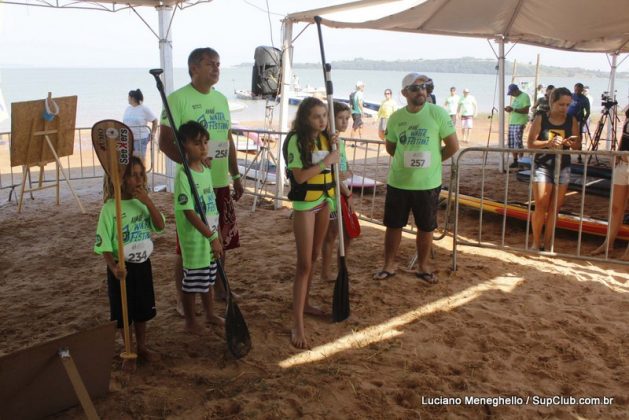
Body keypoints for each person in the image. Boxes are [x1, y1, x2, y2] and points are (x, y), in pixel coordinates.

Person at [158, 47, 243, 315]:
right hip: (195, 184)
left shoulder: (221, 100)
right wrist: (191, 168)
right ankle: (183, 298)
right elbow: (164, 142)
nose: (216, 68)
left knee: (221, 238)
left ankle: (219, 288)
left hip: (218, 182)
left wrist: (236, 175)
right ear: (194, 67)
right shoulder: (178, 99)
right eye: (209, 64)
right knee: (188, 245)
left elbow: (227, 140)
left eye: (218, 64)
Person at [374, 73, 459, 284]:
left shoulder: (438, 113)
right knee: (393, 225)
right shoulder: (396, 117)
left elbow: (453, 146)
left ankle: (423, 267)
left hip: (428, 184)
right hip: (398, 182)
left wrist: (434, 160)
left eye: (424, 87)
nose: (421, 91)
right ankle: (388, 265)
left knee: (426, 227)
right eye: (415, 88)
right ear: (404, 93)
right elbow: (391, 147)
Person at [94, 156, 165, 362]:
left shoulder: (142, 204)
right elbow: (104, 244)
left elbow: (160, 226)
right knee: (124, 311)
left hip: (143, 264)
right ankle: (128, 349)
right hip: (121, 267)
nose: (139, 180)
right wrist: (114, 267)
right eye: (133, 176)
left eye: (141, 174)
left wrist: (148, 202)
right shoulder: (109, 208)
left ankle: (142, 346)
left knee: (142, 308)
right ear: (121, 180)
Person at [284, 97, 339, 348]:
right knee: (304, 264)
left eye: (325, 116)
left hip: (325, 201)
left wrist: (337, 154)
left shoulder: (329, 138)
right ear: (306, 118)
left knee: (315, 255)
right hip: (306, 205)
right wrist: (326, 161)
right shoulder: (296, 140)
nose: (322, 121)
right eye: (317, 116)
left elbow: (337, 170)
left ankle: (305, 304)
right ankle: (297, 322)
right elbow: (300, 176)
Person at [174, 121, 225, 334]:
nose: (203, 147)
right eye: (197, 143)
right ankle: (190, 321)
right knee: (192, 283)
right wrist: (210, 236)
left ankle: (210, 313)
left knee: (208, 278)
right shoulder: (183, 175)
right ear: (184, 145)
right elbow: (189, 212)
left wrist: (217, 233)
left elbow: (210, 203)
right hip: (195, 239)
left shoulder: (204, 169)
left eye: (205, 142)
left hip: (210, 233)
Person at [527, 87, 580, 251]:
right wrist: (548, 144)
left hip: (563, 166)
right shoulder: (541, 117)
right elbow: (530, 144)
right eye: (561, 104)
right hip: (542, 165)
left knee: (554, 208)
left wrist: (571, 144)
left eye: (567, 105)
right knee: (541, 205)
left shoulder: (572, 120)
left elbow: (578, 146)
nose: (564, 108)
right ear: (552, 102)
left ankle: (548, 243)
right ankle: (536, 242)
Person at [321, 101, 355, 281]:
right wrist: (347, 192)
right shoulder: (329, 141)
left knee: (348, 232)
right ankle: (326, 272)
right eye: (340, 118)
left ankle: (343, 266)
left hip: (342, 189)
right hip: (333, 192)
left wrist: (346, 175)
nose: (345, 122)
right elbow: (333, 173)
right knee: (331, 233)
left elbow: (344, 168)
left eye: (347, 118)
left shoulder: (339, 141)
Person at [592, 108, 629, 259]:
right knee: (616, 208)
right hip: (623, 164)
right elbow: (625, 135)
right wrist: (618, 154)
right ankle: (608, 243)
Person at [123, 89, 158, 162]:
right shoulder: (128, 109)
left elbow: (155, 120)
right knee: (129, 160)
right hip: (129, 139)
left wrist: (153, 133)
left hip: (140, 139)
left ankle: (141, 173)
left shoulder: (144, 108)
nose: (127, 99)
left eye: (128, 97)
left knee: (139, 160)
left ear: (133, 98)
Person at [505, 83, 531, 168]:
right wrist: (510, 109)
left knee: (518, 142)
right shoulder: (516, 98)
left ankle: (521, 161)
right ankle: (515, 160)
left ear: (516, 90)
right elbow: (514, 109)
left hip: (520, 122)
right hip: (512, 122)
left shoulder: (525, 96)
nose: (511, 95)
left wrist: (514, 109)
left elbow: (526, 110)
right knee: (512, 143)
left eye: (512, 93)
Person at [567, 83, 590, 162]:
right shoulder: (570, 96)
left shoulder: (585, 99)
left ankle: (579, 155)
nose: (577, 92)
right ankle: (566, 153)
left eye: (579, 90)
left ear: (582, 90)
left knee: (578, 137)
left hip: (578, 120)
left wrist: (584, 120)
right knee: (567, 135)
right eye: (576, 90)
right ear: (574, 89)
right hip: (567, 119)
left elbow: (588, 112)